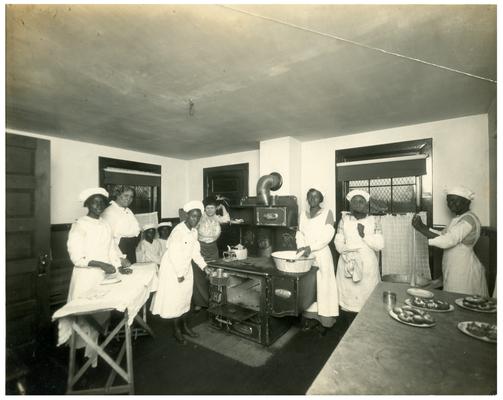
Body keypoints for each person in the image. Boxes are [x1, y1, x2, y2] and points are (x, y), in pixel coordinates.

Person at [66, 187, 128, 364]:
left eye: (102, 202)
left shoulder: (105, 224)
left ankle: (95, 351)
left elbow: (110, 250)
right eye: (95, 202)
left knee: (101, 314)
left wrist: (118, 265)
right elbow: (76, 258)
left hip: (103, 277)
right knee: (85, 316)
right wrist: (101, 264)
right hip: (85, 278)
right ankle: (81, 357)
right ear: (87, 205)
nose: (99, 205)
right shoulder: (79, 225)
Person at [150, 201, 209, 344]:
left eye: (198, 217)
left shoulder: (194, 232)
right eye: (193, 216)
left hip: (185, 268)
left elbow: (195, 252)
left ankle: (185, 327)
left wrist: (204, 266)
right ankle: (177, 331)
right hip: (172, 269)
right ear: (187, 216)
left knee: (185, 299)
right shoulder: (178, 231)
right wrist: (179, 274)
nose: (195, 219)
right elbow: (174, 255)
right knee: (175, 301)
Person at [412, 186, 488, 296]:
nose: (450, 204)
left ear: (466, 202)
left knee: (461, 298)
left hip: (463, 268)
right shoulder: (458, 219)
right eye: (448, 201)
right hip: (454, 267)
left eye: (454, 201)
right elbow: (443, 235)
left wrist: (421, 229)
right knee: (454, 298)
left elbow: (448, 240)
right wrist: (424, 227)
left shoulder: (468, 219)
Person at [335, 189, 384, 331]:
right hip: (347, 263)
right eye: (354, 201)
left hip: (367, 265)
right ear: (350, 204)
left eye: (361, 201)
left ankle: (367, 329)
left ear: (366, 204)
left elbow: (380, 245)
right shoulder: (344, 220)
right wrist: (346, 253)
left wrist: (364, 235)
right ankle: (348, 331)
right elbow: (338, 241)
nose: (358, 204)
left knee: (366, 299)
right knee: (348, 301)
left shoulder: (374, 220)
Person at [296, 188, 339, 335]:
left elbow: (328, 235)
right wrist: (301, 246)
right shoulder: (303, 214)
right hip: (306, 256)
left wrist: (311, 247)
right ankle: (310, 319)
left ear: (320, 199)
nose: (313, 199)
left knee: (324, 287)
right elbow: (299, 233)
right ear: (307, 199)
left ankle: (325, 322)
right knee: (309, 288)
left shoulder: (327, 213)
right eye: (310, 197)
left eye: (316, 197)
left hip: (321, 254)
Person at [192, 196, 230, 310]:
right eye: (207, 208)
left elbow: (227, 219)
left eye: (212, 208)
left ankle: (213, 301)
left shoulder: (217, 218)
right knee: (199, 275)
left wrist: (222, 206)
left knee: (213, 275)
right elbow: (192, 232)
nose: (210, 210)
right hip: (200, 248)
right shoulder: (200, 218)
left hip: (213, 248)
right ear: (204, 208)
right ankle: (199, 303)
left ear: (215, 208)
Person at [101, 185, 140, 264]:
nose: (128, 199)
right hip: (118, 249)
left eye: (131, 197)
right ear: (117, 195)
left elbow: (135, 230)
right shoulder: (109, 212)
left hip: (130, 248)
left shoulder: (128, 211)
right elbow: (107, 240)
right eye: (126, 195)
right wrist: (119, 257)